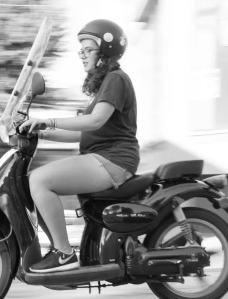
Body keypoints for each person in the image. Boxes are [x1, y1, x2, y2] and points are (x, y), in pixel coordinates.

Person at [19, 19, 140, 273]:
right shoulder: (105, 85)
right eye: (81, 51)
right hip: (101, 158)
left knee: (40, 180)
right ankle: (59, 251)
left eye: (88, 50)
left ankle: (64, 254)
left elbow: (95, 121)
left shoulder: (116, 79)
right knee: (33, 182)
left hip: (114, 160)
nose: (82, 56)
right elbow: (83, 133)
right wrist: (40, 132)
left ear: (105, 51)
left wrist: (48, 120)